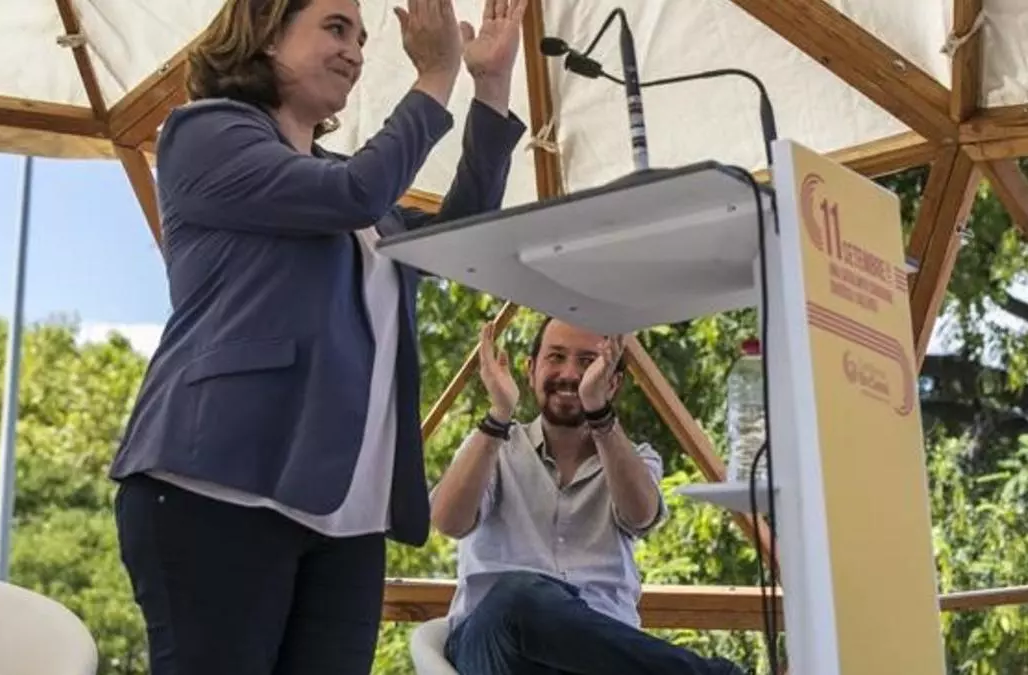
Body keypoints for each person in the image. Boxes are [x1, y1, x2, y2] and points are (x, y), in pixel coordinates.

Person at [107, 0, 528, 673]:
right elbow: (353, 193)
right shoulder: (206, 134)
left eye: (360, 37)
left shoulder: (350, 187)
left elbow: (461, 241)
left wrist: (491, 84)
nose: (355, 51)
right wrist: (435, 74)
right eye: (335, 28)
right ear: (266, 35)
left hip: (346, 516)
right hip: (219, 486)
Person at [430, 317, 749, 675]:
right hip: (495, 652)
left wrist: (598, 412)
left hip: (594, 663)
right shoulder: (493, 449)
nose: (569, 374)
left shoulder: (636, 459)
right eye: (556, 357)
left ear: (612, 382)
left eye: (587, 361)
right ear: (531, 370)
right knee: (518, 596)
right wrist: (498, 415)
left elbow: (641, 515)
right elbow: (448, 521)